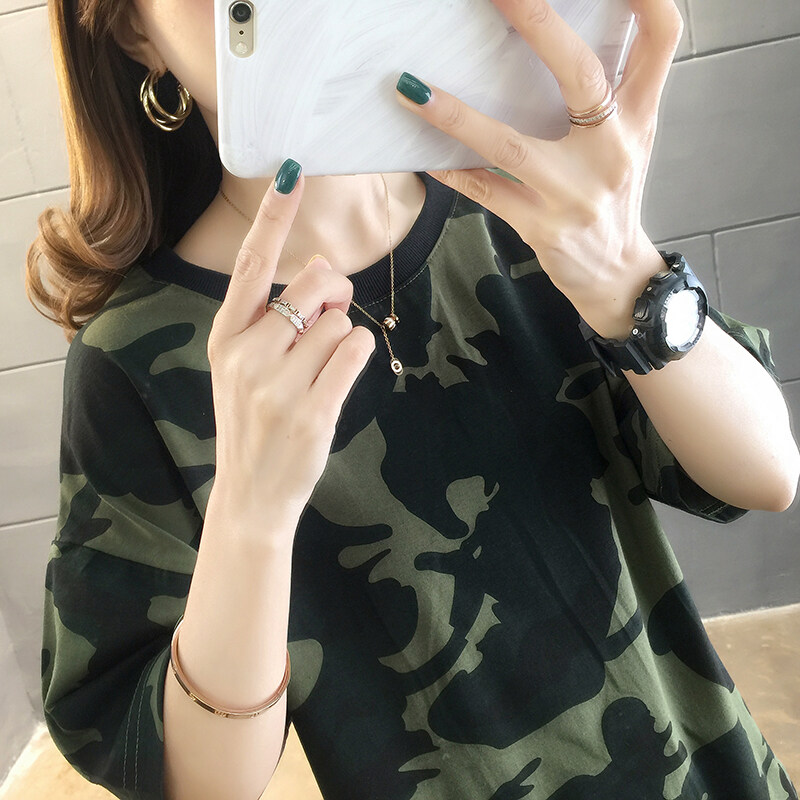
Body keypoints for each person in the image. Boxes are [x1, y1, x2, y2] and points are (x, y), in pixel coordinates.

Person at [27, 0, 800, 798]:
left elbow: (767, 474)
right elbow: (197, 784)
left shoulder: (524, 206)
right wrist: (248, 521)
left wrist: (623, 272)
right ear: (135, 31)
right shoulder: (133, 359)